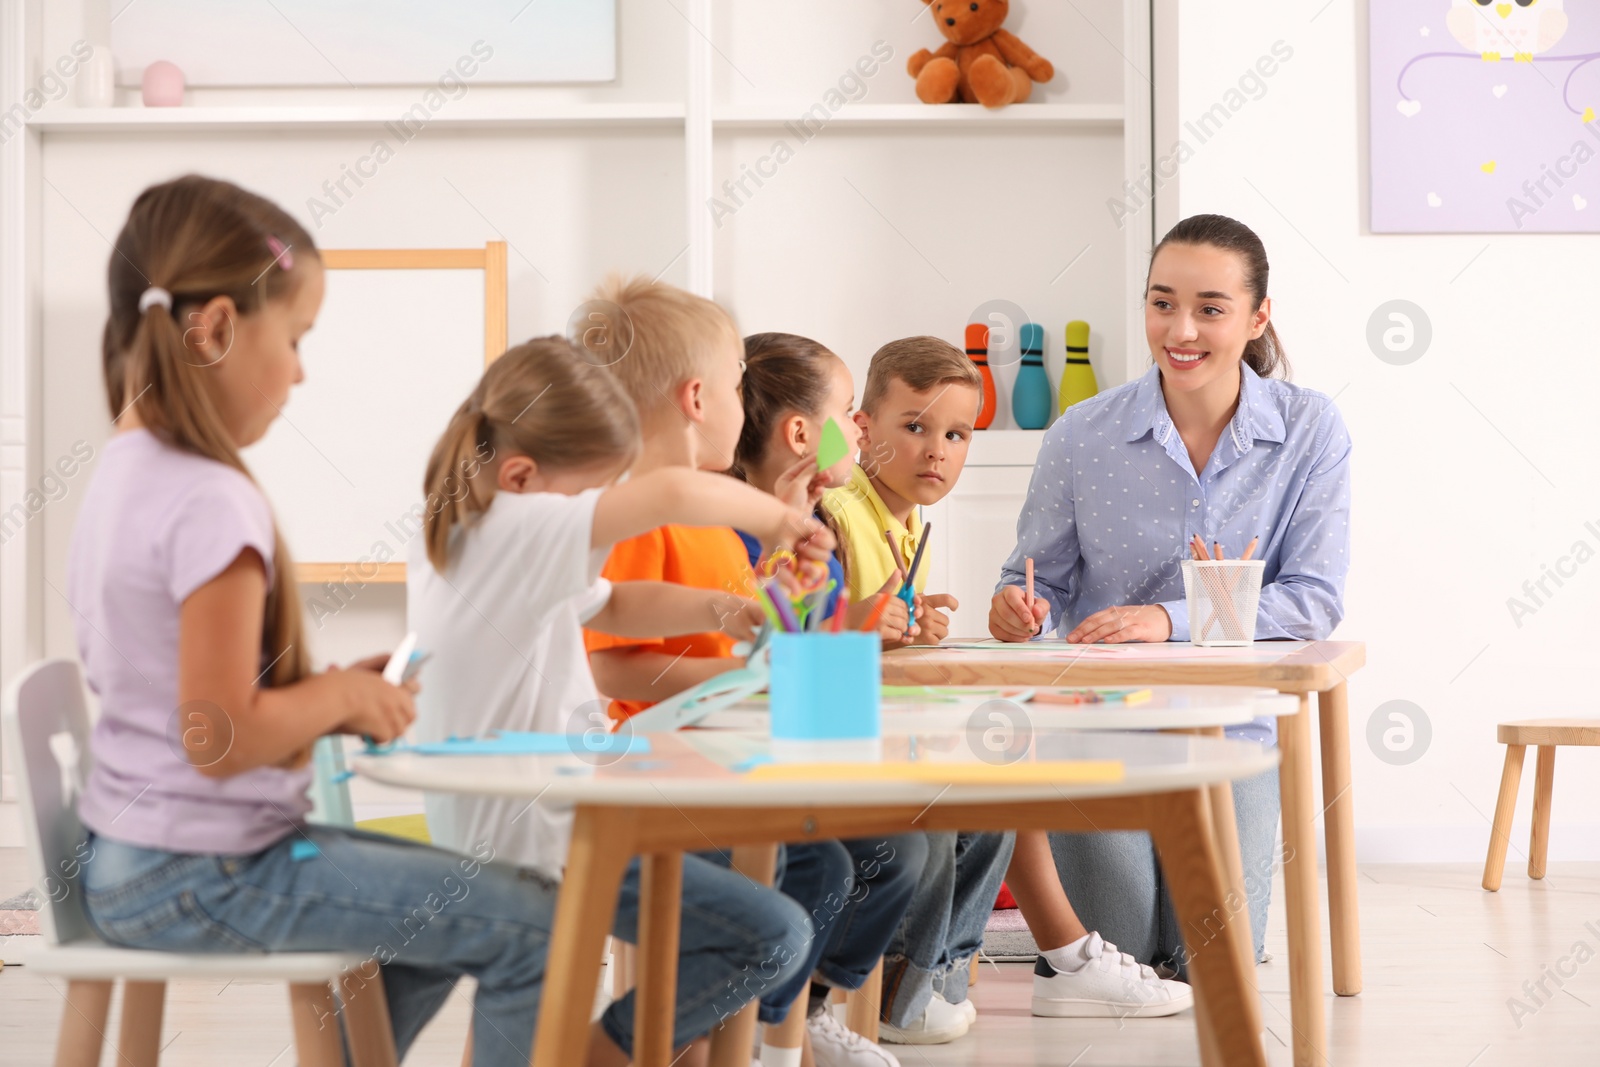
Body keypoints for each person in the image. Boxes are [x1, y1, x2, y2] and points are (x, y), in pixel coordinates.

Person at [990, 213, 1352, 973]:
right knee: (1118, 956)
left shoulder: (1309, 428)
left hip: (1234, 734)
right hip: (1099, 729)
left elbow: (1312, 599)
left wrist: (1167, 619)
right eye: (1162, 303)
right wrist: (1019, 608)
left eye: (1210, 308)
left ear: (1257, 318)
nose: (1180, 329)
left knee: (1211, 961)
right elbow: (1036, 582)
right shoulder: (1081, 433)